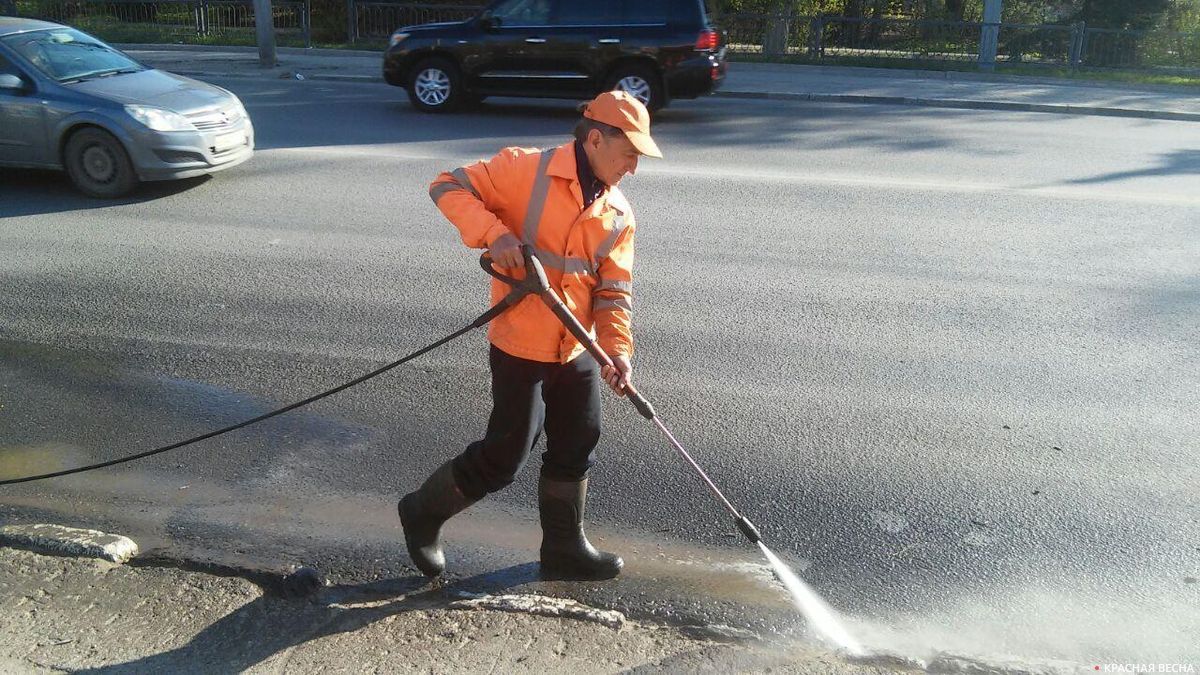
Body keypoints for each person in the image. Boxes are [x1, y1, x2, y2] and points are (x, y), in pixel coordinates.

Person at [400, 90, 662, 581]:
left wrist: (617, 352)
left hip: (576, 346)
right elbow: (446, 185)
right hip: (520, 342)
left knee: (579, 438)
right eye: (630, 154)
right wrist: (494, 234)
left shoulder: (619, 215)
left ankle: (563, 548)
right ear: (595, 139)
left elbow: (613, 294)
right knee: (504, 457)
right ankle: (421, 513)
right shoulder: (523, 169)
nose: (634, 168)